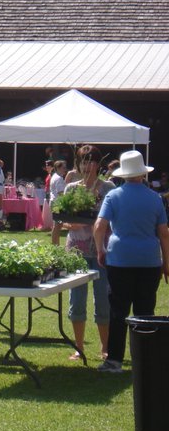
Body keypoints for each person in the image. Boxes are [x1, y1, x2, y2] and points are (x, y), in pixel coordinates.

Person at [94, 150, 169, 373]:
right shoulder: (154, 198)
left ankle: (114, 360)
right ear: (142, 173)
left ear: (123, 174)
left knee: (118, 310)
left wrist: (100, 249)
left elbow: (99, 226)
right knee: (145, 310)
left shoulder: (114, 196)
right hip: (149, 259)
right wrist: (167, 261)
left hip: (119, 259)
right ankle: (145, 360)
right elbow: (164, 232)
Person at [65, 144, 114, 361]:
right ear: (78, 163)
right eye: (84, 160)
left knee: (103, 299)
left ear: (98, 163)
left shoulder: (108, 188)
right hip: (77, 250)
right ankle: (79, 346)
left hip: (102, 251)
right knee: (77, 299)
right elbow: (63, 218)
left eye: (92, 160)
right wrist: (69, 224)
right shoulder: (71, 189)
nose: (88, 165)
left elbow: (113, 219)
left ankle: (105, 347)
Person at [49, 160, 68, 245]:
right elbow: (61, 193)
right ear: (58, 168)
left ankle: (56, 244)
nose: (65, 169)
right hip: (57, 203)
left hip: (54, 202)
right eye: (63, 168)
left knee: (57, 225)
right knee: (57, 225)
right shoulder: (59, 178)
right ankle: (55, 245)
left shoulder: (54, 176)